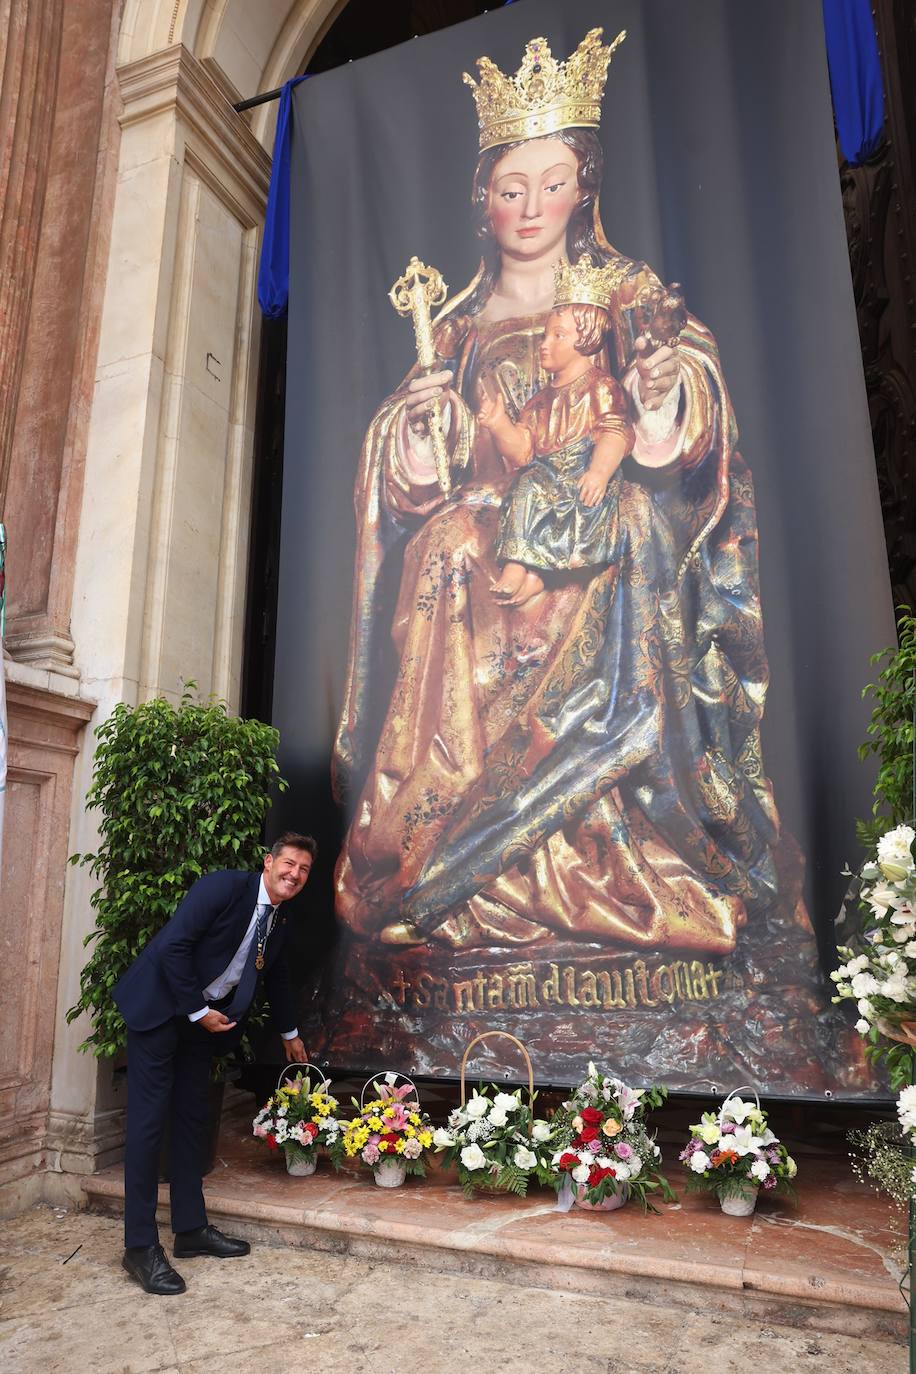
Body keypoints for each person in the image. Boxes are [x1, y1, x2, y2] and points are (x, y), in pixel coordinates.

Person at [332, 27, 814, 975]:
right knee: (445, 550)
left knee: (620, 537)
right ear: (484, 198)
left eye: (552, 183)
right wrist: (424, 424)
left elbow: (684, 412)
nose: (531, 207)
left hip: (602, 513)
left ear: (585, 185)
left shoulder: (626, 293)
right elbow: (411, 463)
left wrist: (665, 393)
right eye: (512, 187)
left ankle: (609, 843)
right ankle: (444, 850)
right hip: (489, 518)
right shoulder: (460, 324)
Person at [113, 832, 316, 1295]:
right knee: (148, 1127)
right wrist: (199, 1012)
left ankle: (189, 1230)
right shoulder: (223, 887)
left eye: (304, 870)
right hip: (161, 1011)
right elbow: (174, 948)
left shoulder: (280, 919)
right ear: (269, 862)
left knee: (191, 1119)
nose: (295, 875)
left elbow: (277, 975)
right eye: (289, 864)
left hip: (201, 1024)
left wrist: (290, 1034)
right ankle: (139, 1247)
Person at [482, 260, 635, 607]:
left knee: (561, 499)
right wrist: (499, 424)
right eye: (546, 335)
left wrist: (598, 472)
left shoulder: (601, 388)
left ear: (588, 339)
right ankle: (519, 567)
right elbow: (522, 451)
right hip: (545, 476)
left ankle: (538, 576)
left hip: (581, 476)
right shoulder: (538, 402)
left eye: (558, 335)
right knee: (525, 486)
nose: (545, 344)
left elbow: (615, 433)